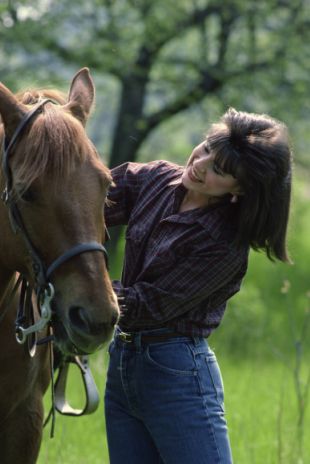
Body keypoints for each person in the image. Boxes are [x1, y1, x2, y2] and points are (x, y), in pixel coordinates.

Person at [104, 108, 292, 464]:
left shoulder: (223, 243)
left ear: (241, 189)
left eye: (219, 170)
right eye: (206, 147)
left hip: (176, 372)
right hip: (122, 361)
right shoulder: (156, 179)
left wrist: (83, 291)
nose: (200, 164)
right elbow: (84, 203)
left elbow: (148, 305)